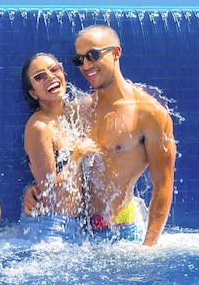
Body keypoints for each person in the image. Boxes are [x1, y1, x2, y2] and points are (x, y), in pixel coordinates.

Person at [72, 24, 176, 246]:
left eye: (93, 55)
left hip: (121, 234)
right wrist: (32, 190)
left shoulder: (148, 113)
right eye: (79, 60)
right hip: (75, 232)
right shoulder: (79, 108)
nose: (86, 66)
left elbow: (163, 183)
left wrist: (148, 246)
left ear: (116, 52)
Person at [19, 52, 96, 242]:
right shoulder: (39, 127)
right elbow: (49, 188)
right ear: (33, 93)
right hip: (49, 226)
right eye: (40, 77)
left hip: (76, 226)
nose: (50, 77)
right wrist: (77, 155)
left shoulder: (72, 116)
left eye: (54, 69)